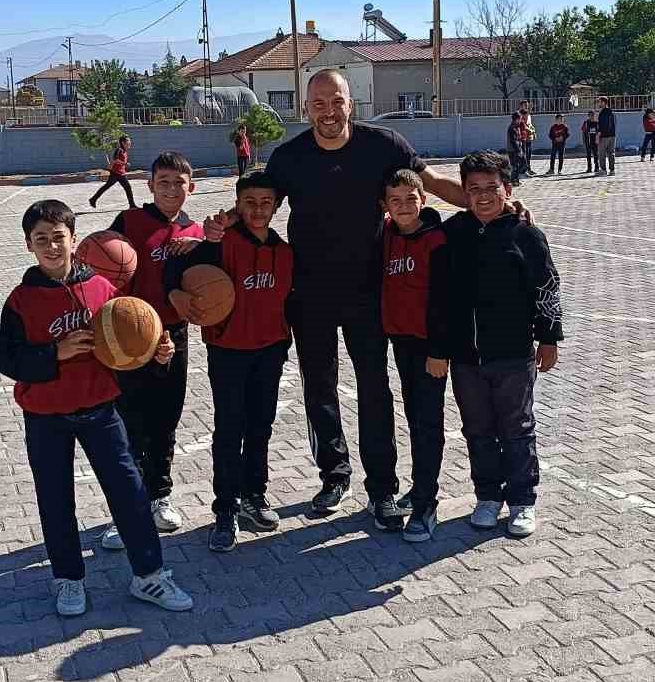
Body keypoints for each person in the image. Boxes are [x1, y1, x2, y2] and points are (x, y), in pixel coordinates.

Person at [204, 70, 523, 532]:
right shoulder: (290, 157)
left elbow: (432, 182)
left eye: (336, 101)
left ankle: (382, 490)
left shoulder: (385, 145)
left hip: (369, 294)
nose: (328, 112)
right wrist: (220, 223)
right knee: (320, 392)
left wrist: (489, 205)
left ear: (351, 102)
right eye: (318, 103)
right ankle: (334, 476)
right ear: (305, 106)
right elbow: (259, 199)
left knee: (375, 391)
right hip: (309, 295)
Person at [0, 199, 193, 616]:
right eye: (41, 239)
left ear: (74, 240)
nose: (51, 246)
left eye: (58, 238)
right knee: (55, 497)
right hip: (46, 416)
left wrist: (157, 352)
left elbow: (127, 348)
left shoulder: (103, 289)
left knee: (130, 492)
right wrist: (54, 354)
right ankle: (68, 578)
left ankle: (149, 575)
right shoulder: (20, 300)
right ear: (28, 244)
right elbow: (7, 360)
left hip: (101, 410)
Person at [165, 172, 293, 553]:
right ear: (237, 204)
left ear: (276, 206)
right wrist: (174, 290)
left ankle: (255, 495)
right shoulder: (219, 245)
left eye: (265, 202)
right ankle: (225, 510)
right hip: (229, 352)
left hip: (270, 349)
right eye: (249, 202)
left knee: (261, 427)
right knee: (229, 430)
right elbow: (177, 266)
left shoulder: (284, 252)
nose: (257, 209)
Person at [445, 152, 563, 539]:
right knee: (477, 428)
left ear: (507, 189)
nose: (482, 197)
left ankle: (523, 501)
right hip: (466, 356)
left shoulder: (525, 234)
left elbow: (547, 287)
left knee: (516, 427)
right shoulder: (452, 232)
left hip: (513, 353)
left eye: (491, 188)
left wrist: (548, 337)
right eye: (473, 190)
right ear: (464, 193)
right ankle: (487, 497)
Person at [101, 153, 204, 548]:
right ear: (150, 186)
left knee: (164, 420)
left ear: (190, 187)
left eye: (179, 182)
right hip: (128, 334)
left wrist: (202, 246)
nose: (171, 189)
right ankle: (125, 507)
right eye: (163, 181)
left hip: (173, 337)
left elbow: (210, 283)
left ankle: (160, 495)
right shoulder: (129, 223)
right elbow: (102, 267)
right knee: (127, 424)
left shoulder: (194, 231)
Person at [381, 169, 448, 543]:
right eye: (396, 200)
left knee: (427, 423)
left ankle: (426, 503)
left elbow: (444, 301)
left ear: (423, 199)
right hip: (401, 342)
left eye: (411, 198)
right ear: (385, 206)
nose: (404, 206)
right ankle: (419, 489)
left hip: (429, 346)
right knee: (414, 418)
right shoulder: (388, 235)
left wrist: (440, 350)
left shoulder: (437, 240)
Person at [89, 136, 135, 209]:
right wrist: (124, 164)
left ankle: (93, 199)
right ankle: (132, 205)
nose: (130, 143)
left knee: (108, 186)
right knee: (127, 188)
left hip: (120, 173)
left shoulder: (124, 151)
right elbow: (115, 159)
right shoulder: (119, 150)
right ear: (123, 143)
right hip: (116, 173)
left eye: (130, 141)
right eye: (128, 142)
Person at [597, 98, 617, 176]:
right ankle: (612, 170)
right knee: (611, 153)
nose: (599, 103)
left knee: (602, 153)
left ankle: (603, 170)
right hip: (612, 135)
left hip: (604, 136)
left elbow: (603, 124)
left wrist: (598, 134)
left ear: (604, 102)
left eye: (599, 102)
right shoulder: (612, 112)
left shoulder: (603, 112)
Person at [506, 113, 527, 186]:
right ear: (516, 119)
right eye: (520, 118)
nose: (521, 120)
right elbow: (513, 141)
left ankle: (515, 179)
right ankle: (513, 180)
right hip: (513, 150)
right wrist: (519, 151)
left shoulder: (516, 126)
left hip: (517, 148)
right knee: (515, 166)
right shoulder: (512, 128)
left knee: (520, 165)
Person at [518, 104, 536, 175]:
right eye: (525, 105)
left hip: (529, 138)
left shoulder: (528, 116)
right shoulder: (520, 119)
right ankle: (524, 170)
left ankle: (528, 169)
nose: (527, 107)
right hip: (523, 139)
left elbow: (530, 125)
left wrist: (533, 132)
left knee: (528, 154)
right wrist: (530, 131)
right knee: (524, 155)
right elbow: (525, 127)